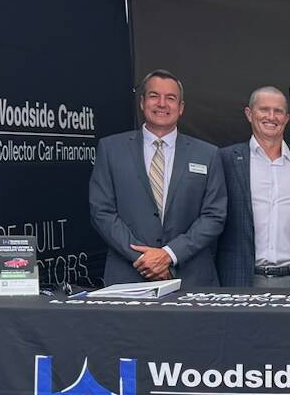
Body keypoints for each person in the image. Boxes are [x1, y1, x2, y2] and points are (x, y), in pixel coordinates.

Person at [87, 70, 226, 287]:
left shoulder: (208, 154)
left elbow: (214, 215)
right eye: (154, 96)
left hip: (192, 278)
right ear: (142, 102)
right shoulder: (111, 149)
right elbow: (101, 211)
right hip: (128, 276)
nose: (162, 104)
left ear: (180, 108)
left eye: (170, 98)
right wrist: (144, 259)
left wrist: (169, 255)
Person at [217, 85, 290, 290]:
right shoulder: (225, 160)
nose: (271, 116)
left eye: (278, 111)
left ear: (286, 118)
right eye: (264, 109)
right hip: (242, 280)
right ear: (249, 114)